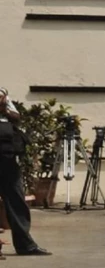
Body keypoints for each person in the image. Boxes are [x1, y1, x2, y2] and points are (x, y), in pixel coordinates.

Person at [0, 89, 50, 256]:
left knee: (16, 201)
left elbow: (16, 118)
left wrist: (4, 107)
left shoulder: (3, 96)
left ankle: (25, 245)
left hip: (7, 158)